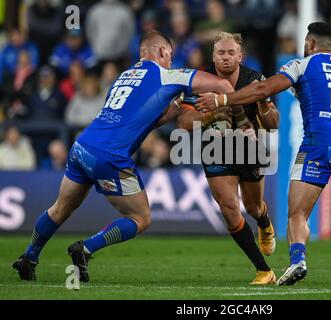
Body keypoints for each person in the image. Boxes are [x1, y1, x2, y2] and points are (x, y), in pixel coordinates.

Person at [12, 31, 237, 283]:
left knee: (60, 208)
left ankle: (29, 257)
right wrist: (227, 104)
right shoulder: (167, 74)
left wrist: (175, 106)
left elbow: (148, 119)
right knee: (141, 218)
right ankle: (85, 249)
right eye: (171, 56)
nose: (172, 62)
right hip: (110, 156)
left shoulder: (123, 77)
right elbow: (221, 86)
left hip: (82, 146)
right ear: (162, 52)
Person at [196, 22, 331, 286]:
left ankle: (297, 262)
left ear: (311, 44)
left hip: (319, 143)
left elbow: (263, 89)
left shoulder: (301, 65)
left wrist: (222, 100)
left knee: (297, 211)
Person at [177, 32, 279, 285]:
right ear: (213, 56)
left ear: (240, 56)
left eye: (230, 53)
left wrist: (263, 102)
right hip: (215, 149)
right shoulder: (199, 80)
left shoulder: (254, 79)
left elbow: (273, 124)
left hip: (250, 148)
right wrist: (211, 115)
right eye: (221, 53)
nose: (225, 57)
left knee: (253, 207)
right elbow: (184, 123)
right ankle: (263, 270)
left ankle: (264, 221)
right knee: (230, 209)